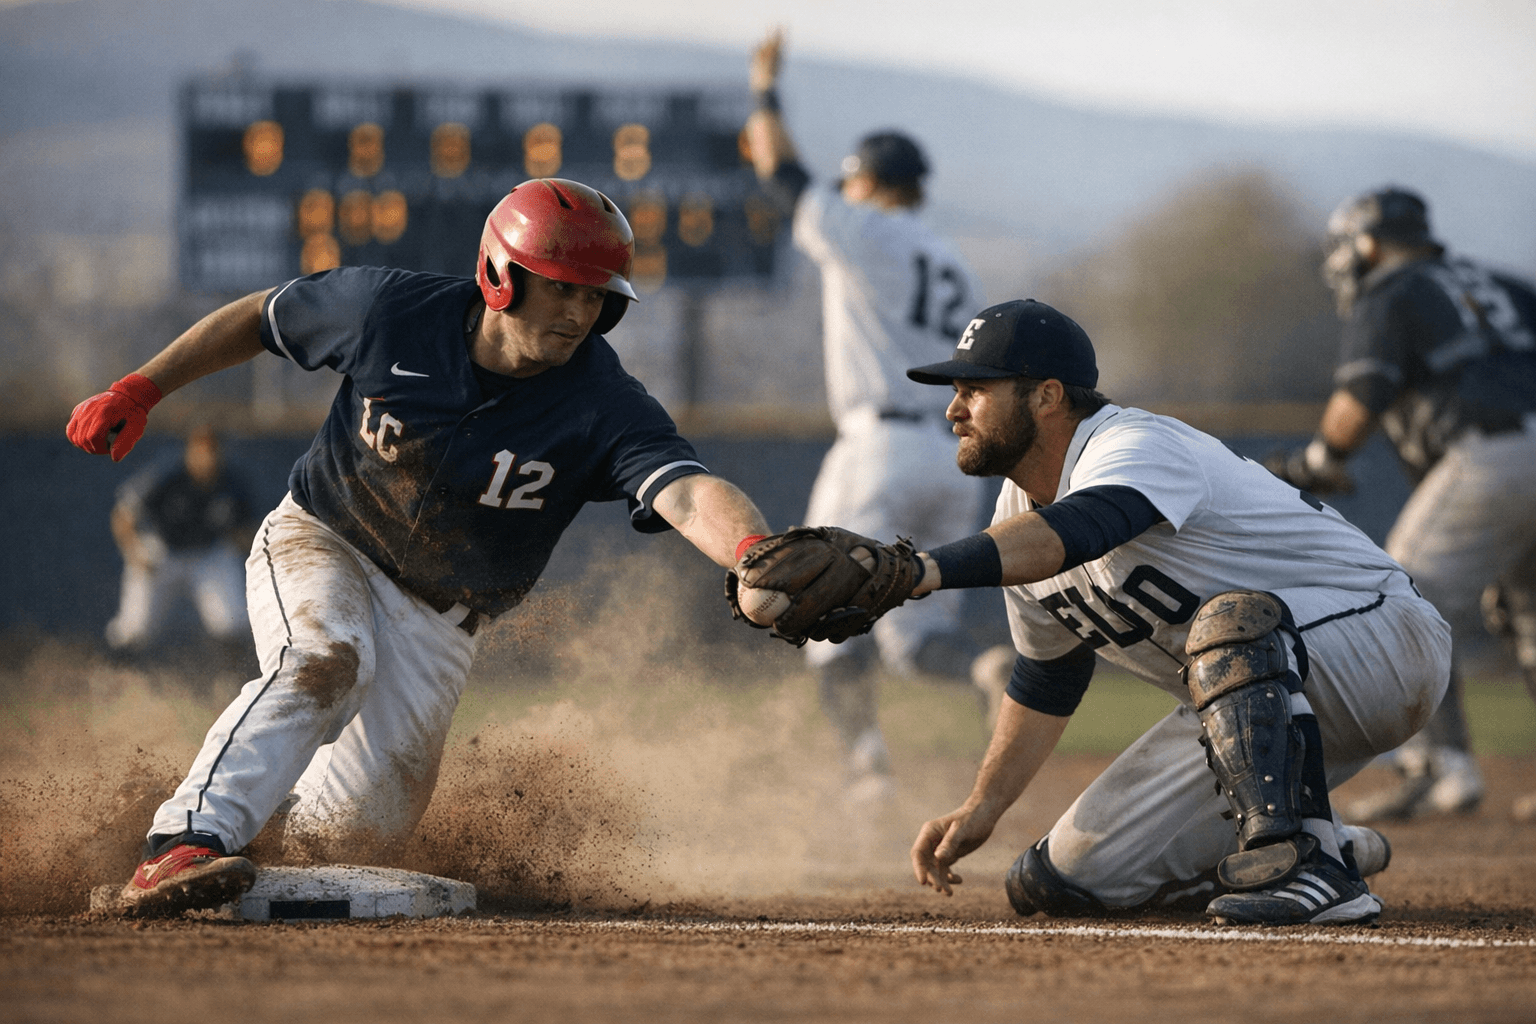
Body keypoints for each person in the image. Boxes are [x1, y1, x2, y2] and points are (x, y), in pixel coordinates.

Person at [65, 178, 773, 917]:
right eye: (561, 288)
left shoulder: (603, 401)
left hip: (441, 618)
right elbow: (259, 318)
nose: (578, 313)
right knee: (325, 659)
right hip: (326, 537)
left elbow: (687, 491)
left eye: (597, 298)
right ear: (501, 276)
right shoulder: (388, 312)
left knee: (352, 838)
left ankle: (242, 829)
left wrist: (754, 549)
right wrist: (140, 389)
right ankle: (181, 841)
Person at [882, 299, 1450, 925]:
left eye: (973, 391)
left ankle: (1304, 868)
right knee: (1056, 884)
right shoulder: (1016, 528)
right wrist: (982, 806)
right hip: (1258, 706)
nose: (953, 411)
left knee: (1230, 626)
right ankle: (1323, 845)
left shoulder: (1134, 442)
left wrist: (921, 570)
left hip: (1383, 646)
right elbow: (1048, 676)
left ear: (1045, 396)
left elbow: (1093, 523)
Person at [743, 30, 1002, 801]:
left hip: (879, 448)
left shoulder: (865, 227)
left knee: (814, 603)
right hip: (953, 456)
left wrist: (764, 89)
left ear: (868, 183)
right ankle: (987, 669)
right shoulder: (952, 258)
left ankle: (867, 768)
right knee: (916, 636)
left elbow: (781, 172)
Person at [1266, 187, 1536, 823]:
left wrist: (1322, 461)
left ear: (1368, 243)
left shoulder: (1392, 289)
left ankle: (1442, 767)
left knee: (1398, 603)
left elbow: (1360, 399)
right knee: (1531, 617)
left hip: (1491, 452)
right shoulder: (1501, 282)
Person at [104, 424, 255, 656]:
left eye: (213, 449)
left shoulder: (231, 482)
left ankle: (234, 680)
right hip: (162, 553)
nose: (207, 456)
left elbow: (245, 529)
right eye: (201, 449)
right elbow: (123, 515)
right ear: (189, 450)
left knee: (232, 624)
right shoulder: (167, 475)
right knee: (135, 630)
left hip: (207, 555)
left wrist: (246, 547)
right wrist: (134, 552)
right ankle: (111, 674)